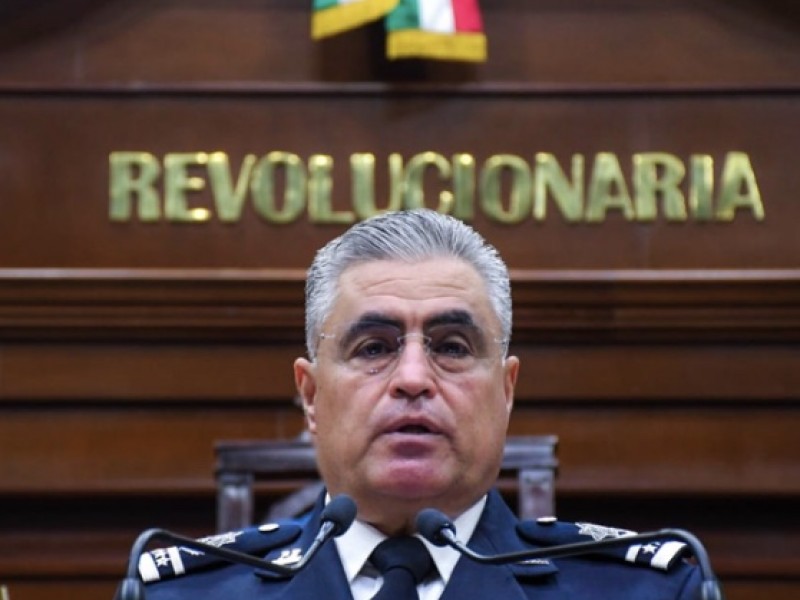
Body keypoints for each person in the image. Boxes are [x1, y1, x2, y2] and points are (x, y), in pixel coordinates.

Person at [141, 209, 706, 599]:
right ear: (311, 396)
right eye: (373, 348)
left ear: (505, 392)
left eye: (452, 348)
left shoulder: (645, 590)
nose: (413, 378)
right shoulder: (181, 594)